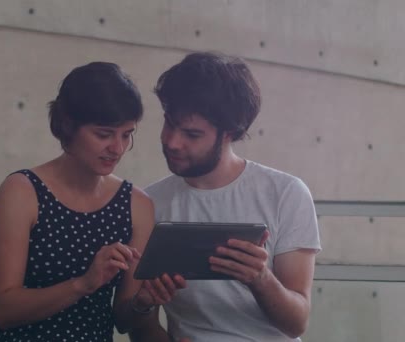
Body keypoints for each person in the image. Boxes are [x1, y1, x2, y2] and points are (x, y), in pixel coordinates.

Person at [129, 52, 322, 342]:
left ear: (230, 133)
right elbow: (141, 331)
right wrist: (143, 307)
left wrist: (261, 278)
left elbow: (296, 323)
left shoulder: (286, 194)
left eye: (192, 134)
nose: (172, 141)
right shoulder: (150, 203)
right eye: (169, 123)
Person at [0, 61, 179, 342]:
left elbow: (123, 321)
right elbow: (3, 310)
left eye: (127, 134)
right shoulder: (23, 191)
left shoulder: (136, 204)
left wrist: (143, 302)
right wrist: (83, 284)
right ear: (68, 125)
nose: (118, 148)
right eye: (104, 134)